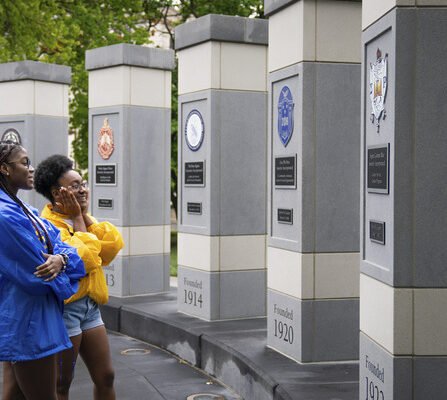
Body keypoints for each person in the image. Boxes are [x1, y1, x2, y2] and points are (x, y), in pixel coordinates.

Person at [34, 155, 124, 400]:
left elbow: (109, 250)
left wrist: (81, 218)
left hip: (90, 308)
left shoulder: (83, 218)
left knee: (106, 376)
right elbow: (83, 260)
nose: (83, 189)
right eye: (74, 186)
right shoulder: (47, 226)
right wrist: (77, 219)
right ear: (56, 193)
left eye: (82, 183)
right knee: (62, 384)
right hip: (65, 311)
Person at [0, 141, 85, 400]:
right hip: (28, 321)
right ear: (4, 168)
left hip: (36, 316)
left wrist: (61, 259)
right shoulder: (5, 215)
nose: (31, 168)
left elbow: (66, 250)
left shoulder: (26, 210)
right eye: (24, 162)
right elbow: (39, 275)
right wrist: (64, 265)